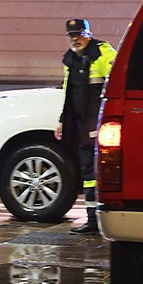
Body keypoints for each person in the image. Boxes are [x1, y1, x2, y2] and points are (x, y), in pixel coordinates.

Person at [55, 17, 117, 235]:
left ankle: (101, 218)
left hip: (98, 123)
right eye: (72, 36)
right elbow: (68, 93)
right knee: (87, 172)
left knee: (97, 170)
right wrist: (63, 120)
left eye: (79, 34)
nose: (76, 39)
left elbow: (115, 86)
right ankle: (92, 218)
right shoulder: (71, 59)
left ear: (89, 34)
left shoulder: (103, 54)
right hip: (79, 124)